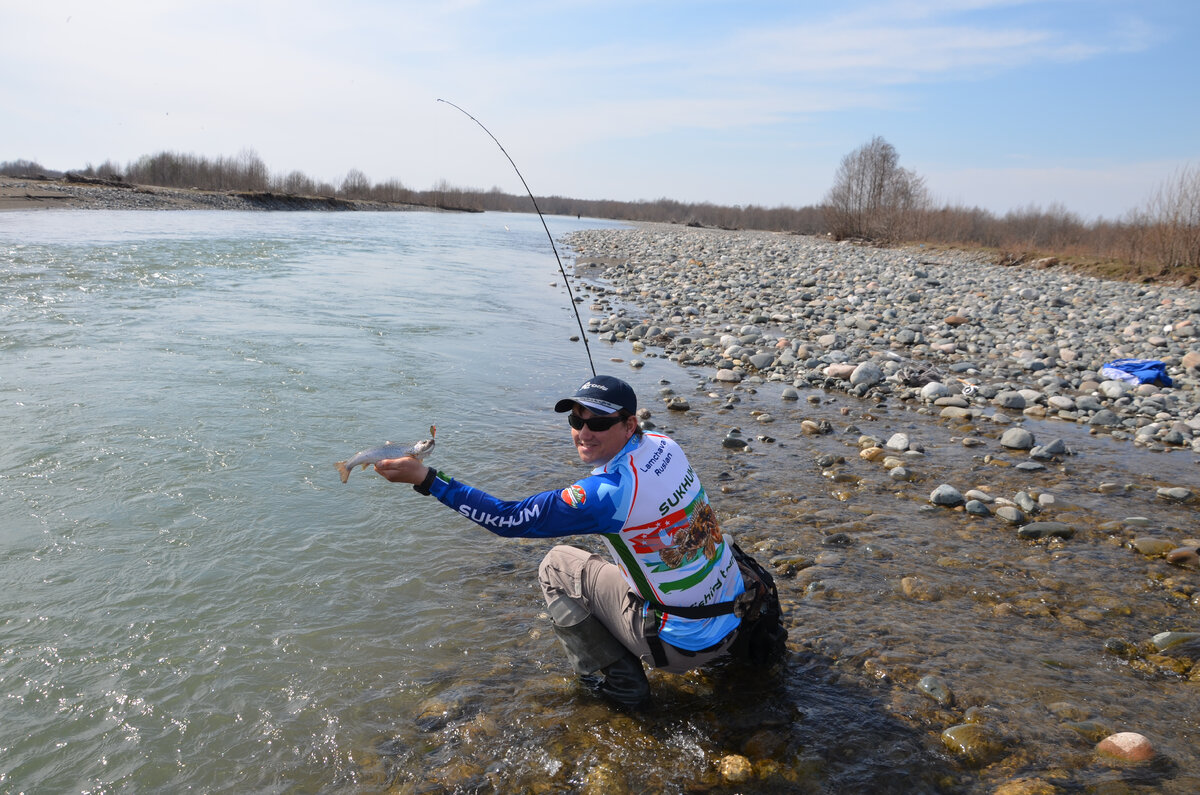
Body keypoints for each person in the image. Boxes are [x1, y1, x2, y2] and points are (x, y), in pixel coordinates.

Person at [374, 375, 755, 710]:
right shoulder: (664, 445)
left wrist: (425, 478)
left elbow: (509, 519)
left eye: (600, 422)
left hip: (681, 647)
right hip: (733, 614)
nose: (584, 433)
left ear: (628, 424)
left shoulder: (608, 493)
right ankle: (747, 654)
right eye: (577, 420)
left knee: (557, 564)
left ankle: (620, 686)